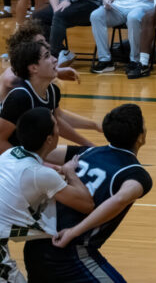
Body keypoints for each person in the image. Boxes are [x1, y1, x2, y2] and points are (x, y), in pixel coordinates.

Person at [24, 104, 152, 283]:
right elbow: (120, 199)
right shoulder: (135, 174)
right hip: (68, 251)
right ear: (140, 136)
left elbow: (36, 150)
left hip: (35, 246)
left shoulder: (87, 152)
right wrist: (74, 232)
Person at [0, 108, 94, 283]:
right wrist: (69, 172)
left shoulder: (11, 153)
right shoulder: (41, 174)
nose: (59, 129)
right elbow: (87, 204)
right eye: (56, 126)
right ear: (49, 139)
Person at [0, 40, 95, 153]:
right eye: (47, 56)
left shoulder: (52, 91)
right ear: (34, 68)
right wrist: (35, 163)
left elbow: (58, 122)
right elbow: (1, 141)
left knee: (89, 155)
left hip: (32, 152)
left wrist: (91, 144)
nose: (55, 59)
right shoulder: (20, 97)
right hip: (11, 157)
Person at [0, 22, 82, 104]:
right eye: (41, 42)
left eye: (45, 41)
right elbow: (11, 79)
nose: (47, 45)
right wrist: (58, 72)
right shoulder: (12, 73)